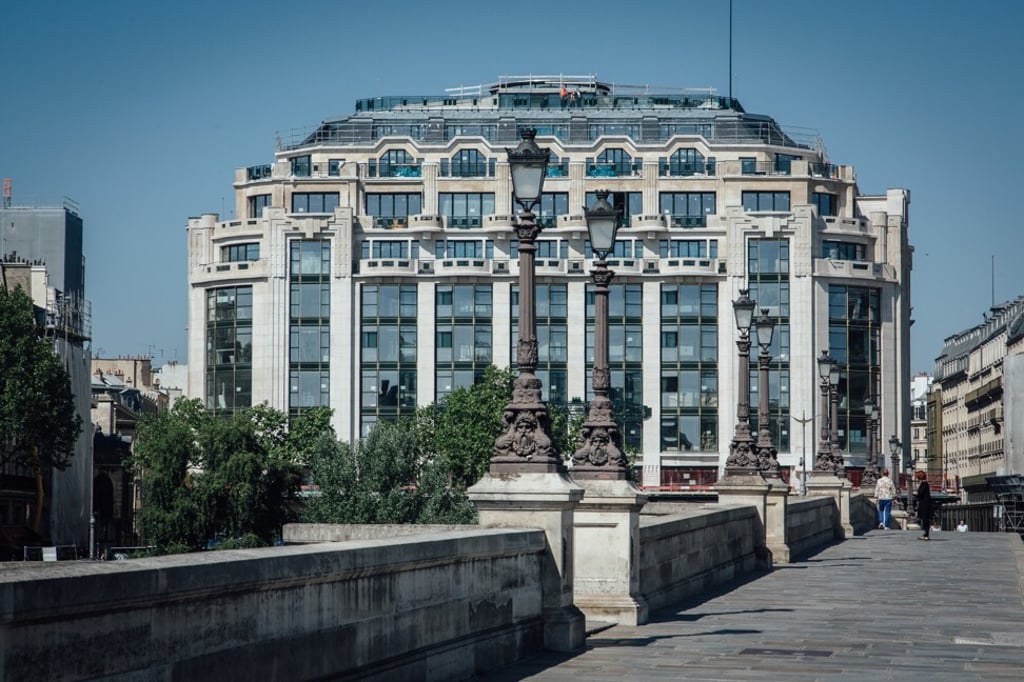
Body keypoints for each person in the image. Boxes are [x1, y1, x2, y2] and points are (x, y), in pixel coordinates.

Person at [914, 470, 933, 540]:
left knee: (925, 519)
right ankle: (925, 534)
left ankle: (926, 534)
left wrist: (916, 494)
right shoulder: (924, 483)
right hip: (925, 503)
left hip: (925, 504)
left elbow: (921, 493)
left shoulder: (924, 484)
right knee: (925, 519)